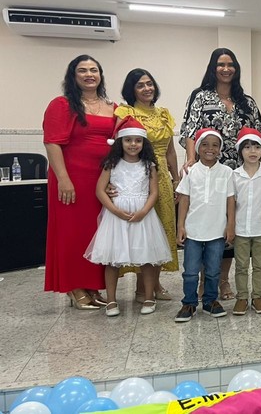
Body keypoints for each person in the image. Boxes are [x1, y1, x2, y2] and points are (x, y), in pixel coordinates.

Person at [179, 48, 261, 301]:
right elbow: (190, 131)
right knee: (206, 223)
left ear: (236, 69)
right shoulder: (200, 96)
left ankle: (223, 279)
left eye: (230, 65)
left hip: (239, 172)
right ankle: (204, 280)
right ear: (213, 68)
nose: (226, 69)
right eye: (221, 64)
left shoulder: (247, 102)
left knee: (228, 224)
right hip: (208, 170)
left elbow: (259, 135)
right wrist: (192, 160)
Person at [43, 54, 116, 309]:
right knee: (72, 233)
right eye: (82, 70)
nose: (89, 75)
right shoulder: (62, 105)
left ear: (100, 75)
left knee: (96, 233)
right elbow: (52, 143)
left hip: (99, 180)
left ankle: (92, 286)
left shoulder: (111, 106)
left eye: (93, 70)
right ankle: (74, 287)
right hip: (71, 178)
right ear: (73, 76)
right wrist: (63, 179)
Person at [84, 117, 171, 316]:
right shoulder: (111, 164)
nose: (133, 144)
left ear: (143, 143)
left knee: (147, 258)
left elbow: (154, 193)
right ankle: (111, 301)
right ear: (120, 142)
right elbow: (99, 191)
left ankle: (148, 297)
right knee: (113, 260)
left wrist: (143, 211)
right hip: (116, 218)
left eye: (138, 140)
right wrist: (114, 210)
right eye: (128, 140)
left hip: (143, 217)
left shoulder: (149, 165)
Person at [115, 68, 179, 303]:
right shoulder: (125, 112)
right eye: (140, 85)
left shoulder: (164, 114)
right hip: (137, 176)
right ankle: (142, 288)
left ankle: (155, 284)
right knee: (141, 232)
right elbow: (117, 147)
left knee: (160, 232)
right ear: (131, 89)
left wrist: (176, 178)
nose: (146, 88)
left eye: (149, 83)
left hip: (162, 178)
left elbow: (170, 151)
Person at [174, 128, 235, 322]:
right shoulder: (190, 171)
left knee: (213, 270)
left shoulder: (227, 172)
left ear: (220, 149)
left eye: (215, 145)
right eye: (205, 145)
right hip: (193, 230)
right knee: (191, 271)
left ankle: (210, 301)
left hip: (217, 231)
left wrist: (230, 225)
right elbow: (184, 199)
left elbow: (231, 200)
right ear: (198, 148)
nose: (210, 149)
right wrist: (180, 226)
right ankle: (189, 303)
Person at [231, 128, 261, 315]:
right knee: (241, 266)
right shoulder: (234, 175)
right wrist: (230, 226)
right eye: (247, 147)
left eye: (257, 147)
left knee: (260, 265)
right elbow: (231, 203)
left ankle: (258, 296)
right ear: (240, 151)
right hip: (240, 229)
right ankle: (242, 297)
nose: (252, 151)